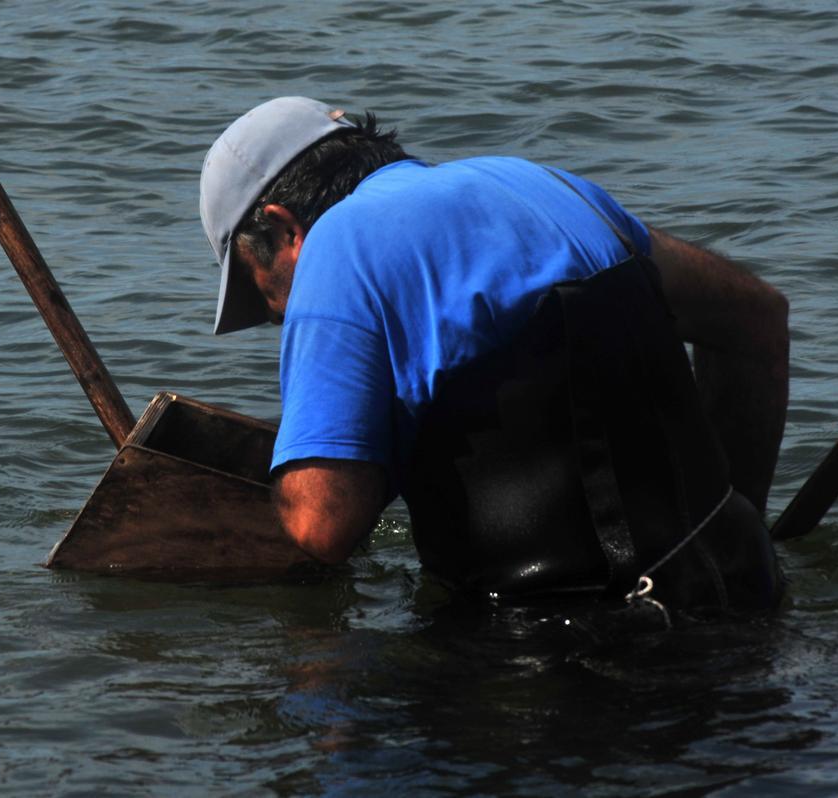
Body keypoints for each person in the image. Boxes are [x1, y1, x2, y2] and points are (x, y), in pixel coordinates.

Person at [200, 96, 788, 611]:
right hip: (742, 592)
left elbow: (321, 525)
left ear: (283, 230)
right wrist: (740, 522)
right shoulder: (543, 184)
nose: (280, 317)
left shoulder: (336, 245)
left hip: (556, 654)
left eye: (265, 294)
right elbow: (756, 319)